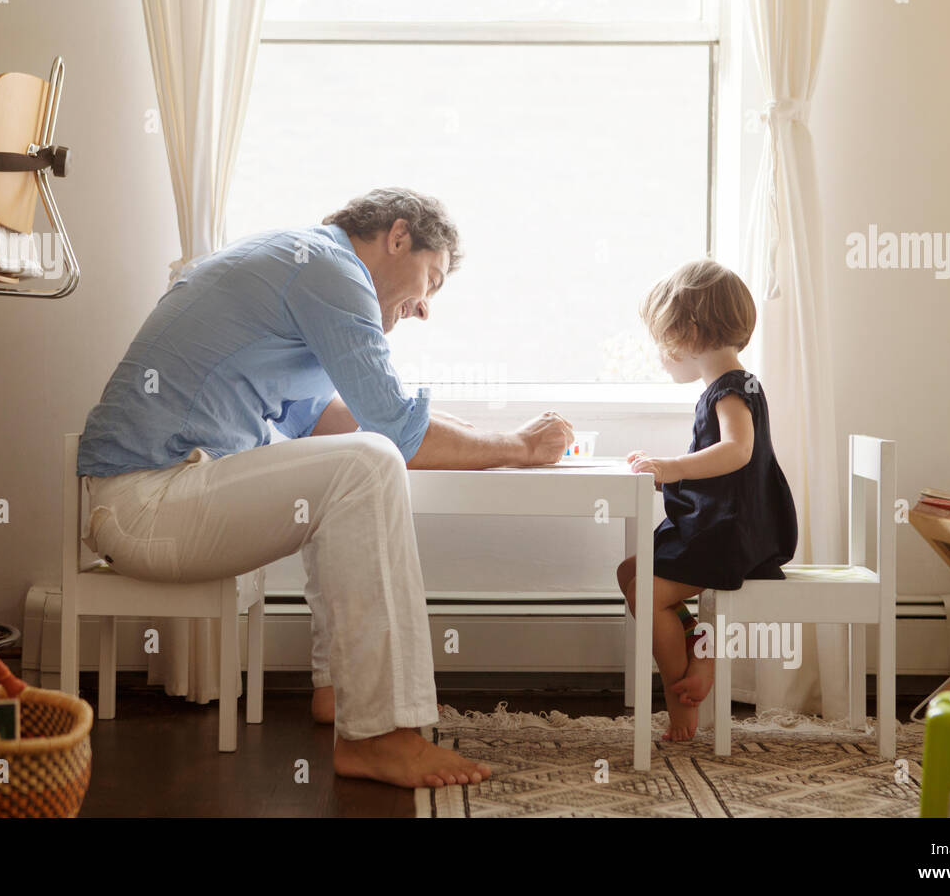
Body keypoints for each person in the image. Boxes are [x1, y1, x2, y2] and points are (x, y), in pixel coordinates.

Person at [77, 188, 574, 788]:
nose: (425, 308)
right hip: (146, 504)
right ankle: (379, 734)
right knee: (366, 464)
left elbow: (330, 421)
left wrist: (489, 436)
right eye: (432, 280)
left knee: (347, 465)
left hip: (155, 494)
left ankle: (340, 692)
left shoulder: (304, 265)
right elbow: (394, 433)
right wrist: (517, 447)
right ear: (397, 237)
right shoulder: (330, 271)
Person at [615, 259, 797, 742]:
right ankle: (699, 640)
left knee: (645, 592)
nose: (661, 354)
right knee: (630, 572)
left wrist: (672, 468)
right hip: (725, 525)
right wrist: (665, 474)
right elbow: (724, 471)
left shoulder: (731, 389)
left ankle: (681, 698)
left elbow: (738, 451)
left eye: (663, 342)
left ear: (689, 333)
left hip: (731, 535)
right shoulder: (732, 385)